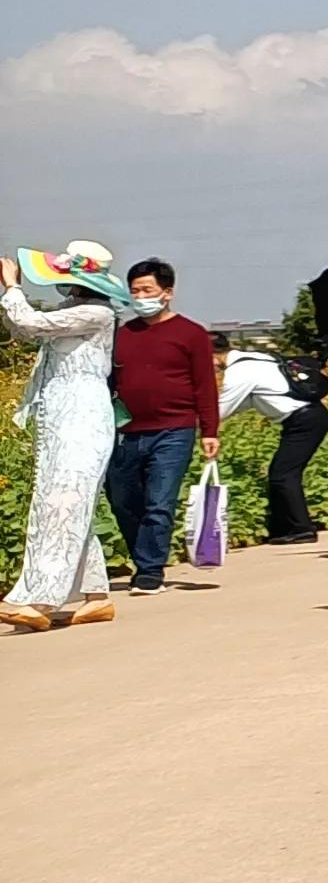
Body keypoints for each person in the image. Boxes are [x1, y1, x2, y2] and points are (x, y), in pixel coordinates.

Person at [4, 241, 128, 631]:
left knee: (61, 503)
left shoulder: (96, 313)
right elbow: (22, 330)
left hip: (83, 417)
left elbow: (28, 323)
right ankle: (95, 596)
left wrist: (12, 288)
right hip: (62, 417)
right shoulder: (72, 311)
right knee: (70, 504)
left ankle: (38, 598)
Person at [105, 257, 222, 597]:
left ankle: (149, 569)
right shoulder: (123, 335)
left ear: (167, 293)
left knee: (159, 501)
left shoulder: (191, 334)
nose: (141, 296)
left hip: (175, 429)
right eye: (135, 291)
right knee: (123, 499)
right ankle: (143, 554)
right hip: (127, 431)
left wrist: (209, 430)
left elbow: (205, 385)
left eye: (148, 290)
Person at [258, 349, 328, 545]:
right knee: (281, 472)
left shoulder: (242, 369)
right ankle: (284, 528)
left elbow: (226, 403)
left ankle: (301, 529)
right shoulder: (264, 362)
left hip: (305, 419)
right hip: (308, 417)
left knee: (283, 474)